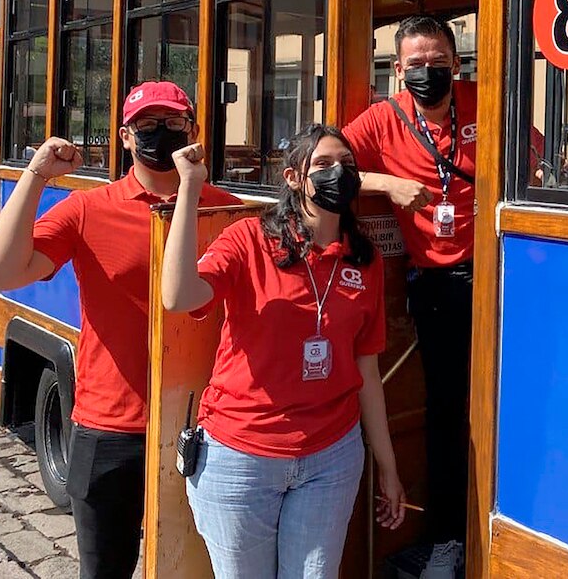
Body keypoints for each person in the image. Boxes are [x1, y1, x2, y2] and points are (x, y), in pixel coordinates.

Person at [0, 81, 241, 579]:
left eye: (172, 124)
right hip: (109, 426)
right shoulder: (88, 209)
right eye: (146, 126)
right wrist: (37, 175)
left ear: (194, 133)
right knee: (103, 570)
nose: (158, 134)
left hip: (206, 425)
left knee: (195, 569)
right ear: (124, 136)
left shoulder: (226, 211)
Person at [161, 124, 406, 579]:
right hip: (242, 457)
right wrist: (190, 189)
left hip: (331, 457)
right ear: (294, 179)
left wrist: (388, 468)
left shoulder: (364, 259)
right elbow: (177, 297)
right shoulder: (248, 240)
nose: (339, 174)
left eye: (348, 166)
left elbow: (366, 370)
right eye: (324, 165)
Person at [343, 15, 540, 579]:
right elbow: (320, 165)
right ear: (397, 69)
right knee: (448, 413)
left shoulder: (484, 100)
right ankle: (450, 536)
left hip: (499, 275)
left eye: (437, 63)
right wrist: (387, 184)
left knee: (508, 400)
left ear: (457, 64)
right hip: (435, 285)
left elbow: (536, 153)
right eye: (414, 65)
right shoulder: (383, 119)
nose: (426, 73)